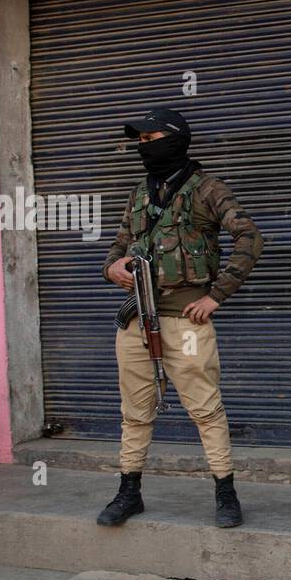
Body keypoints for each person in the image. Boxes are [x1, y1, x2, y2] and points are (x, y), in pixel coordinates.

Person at [96, 108, 263, 529]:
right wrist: (112, 268)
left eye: (150, 139)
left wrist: (216, 295)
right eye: (141, 141)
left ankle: (226, 494)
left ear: (175, 139)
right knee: (134, 412)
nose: (143, 147)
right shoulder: (139, 194)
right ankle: (128, 492)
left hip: (186, 322)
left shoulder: (207, 190)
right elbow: (117, 248)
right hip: (138, 319)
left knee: (206, 409)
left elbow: (249, 236)